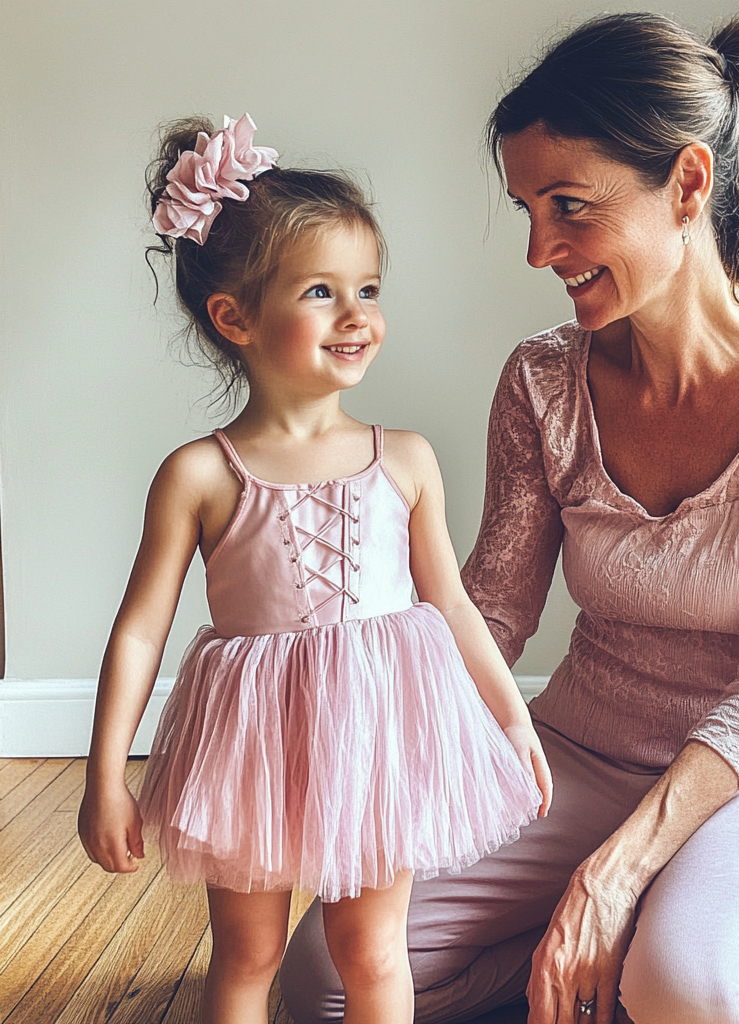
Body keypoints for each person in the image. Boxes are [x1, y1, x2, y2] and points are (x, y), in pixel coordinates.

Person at [280, 11, 739, 1024]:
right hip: (575, 752)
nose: (538, 248)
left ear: (689, 185)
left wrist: (615, 872)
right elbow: (492, 609)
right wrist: (378, 743)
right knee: (326, 981)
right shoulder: (542, 379)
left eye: (569, 205)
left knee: (700, 996)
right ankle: (620, 961)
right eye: (527, 208)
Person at [77, 113, 552, 1024]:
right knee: (248, 953)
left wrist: (509, 721)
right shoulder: (200, 473)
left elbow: (450, 604)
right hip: (251, 742)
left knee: (371, 952)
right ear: (235, 317)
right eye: (322, 293)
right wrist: (106, 773)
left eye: (367, 288)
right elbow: (140, 629)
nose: (357, 315)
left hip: (378, 736)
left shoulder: (405, 459)